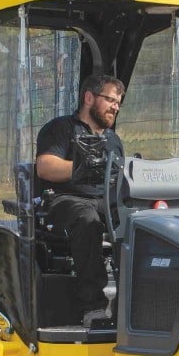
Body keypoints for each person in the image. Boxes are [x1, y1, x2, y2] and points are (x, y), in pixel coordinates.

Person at [35, 74, 125, 326]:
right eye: (110, 99)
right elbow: (45, 167)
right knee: (88, 219)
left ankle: (130, 302)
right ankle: (92, 305)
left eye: (118, 102)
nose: (115, 107)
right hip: (66, 199)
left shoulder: (113, 140)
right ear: (89, 97)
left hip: (106, 201)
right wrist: (83, 167)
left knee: (137, 221)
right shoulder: (61, 128)